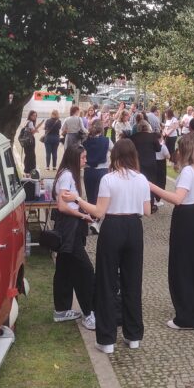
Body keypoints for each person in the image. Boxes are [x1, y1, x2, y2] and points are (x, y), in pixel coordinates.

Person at [74, 139, 151, 354]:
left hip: (113, 227)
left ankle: (107, 339)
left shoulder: (108, 179)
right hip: (134, 227)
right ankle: (133, 335)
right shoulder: (142, 179)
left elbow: (99, 212)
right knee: (132, 282)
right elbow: (147, 211)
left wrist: (78, 200)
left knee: (107, 282)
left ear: (115, 156)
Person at [149, 134, 194, 330]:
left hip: (187, 216)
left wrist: (152, 186)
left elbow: (178, 199)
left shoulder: (188, 171)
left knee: (183, 265)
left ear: (185, 150)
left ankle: (187, 316)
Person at [51, 145, 96, 329]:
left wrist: (83, 212)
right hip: (69, 228)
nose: (86, 160)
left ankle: (61, 310)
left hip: (70, 225)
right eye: (83, 157)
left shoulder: (68, 174)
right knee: (85, 270)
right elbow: (62, 206)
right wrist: (82, 215)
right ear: (74, 158)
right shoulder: (67, 175)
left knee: (65, 268)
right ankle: (88, 312)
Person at [130, 120, 162, 212]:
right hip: (150, 163)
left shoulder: (133, 137)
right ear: (148, 127)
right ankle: (150, 205)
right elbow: (158, 149)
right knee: (151, 184)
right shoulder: (152, 136)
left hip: (138, 164)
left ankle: (137, 206)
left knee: (137, 184)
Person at [82, 120, 112, 216]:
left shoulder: (85, 141)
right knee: (101, 195)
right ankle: (97, 217)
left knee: (90, 196)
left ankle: (92, 216)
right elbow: (115, 150)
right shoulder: (107, 140)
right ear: (102, 129)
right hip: (102, 170)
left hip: (89, 170)